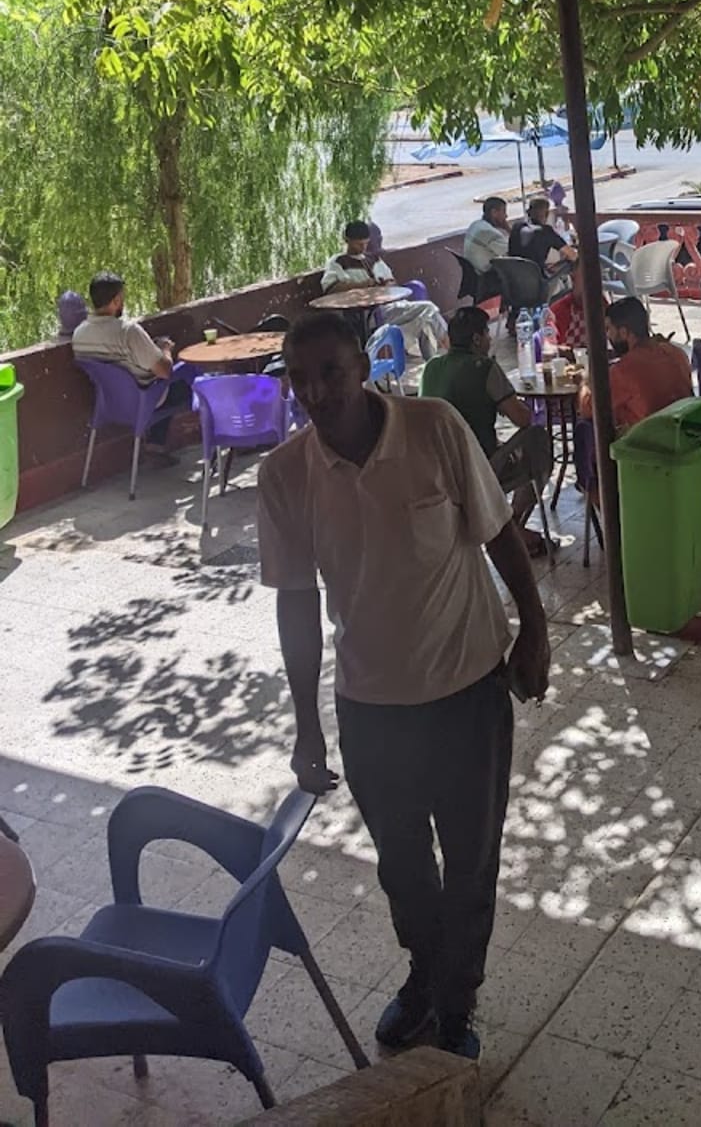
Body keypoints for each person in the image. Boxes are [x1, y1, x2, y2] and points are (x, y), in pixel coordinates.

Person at [257, 312, 550, 1062]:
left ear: (364, 367)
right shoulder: (285, 474)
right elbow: (296, 603)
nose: (315, 392)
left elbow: (498, 531)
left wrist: (535, 627)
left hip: (468, 688)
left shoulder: (435, 428)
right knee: (403, 866)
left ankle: (456, 999)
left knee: (471, 860)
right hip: (371, 708)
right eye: (300, 379)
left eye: (330, 372)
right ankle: (426, 972)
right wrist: (306, 724)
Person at [420, 308, 553, 553]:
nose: (491, 339)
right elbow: (522, 418)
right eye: (487, 334)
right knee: (538, 440)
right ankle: (512, 524)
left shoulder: (431, 368)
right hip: (478, 468)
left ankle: (509, 526)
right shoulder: (485, 368)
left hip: (437, 468)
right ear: (477, 339)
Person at [71, 271, 192, 453]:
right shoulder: (128, 332)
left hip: (109, 404)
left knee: (154, 379)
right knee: (189, 377)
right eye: (122, 298)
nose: (123, 302)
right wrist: (165, 349)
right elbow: (165, 371)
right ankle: (214, 445)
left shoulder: (79, 335)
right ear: (116, 300)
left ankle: (155, 446)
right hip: (143, 401)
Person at [321, 220, 447, 359]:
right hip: (368, 315)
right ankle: (453, 349)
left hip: (391, 307)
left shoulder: (374, 259)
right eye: (359, 244)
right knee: (428, 308)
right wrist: (362, 285)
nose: (363, 248)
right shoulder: (337, 263)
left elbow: (392, 282)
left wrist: (386, 285)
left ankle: (431, 363)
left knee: (425, 321)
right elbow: (330, 288)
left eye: (365, 244)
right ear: (347, 240)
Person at [581, 296, 692, 431]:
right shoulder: (677, 353)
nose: (608, 336)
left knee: (586, 427)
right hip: (685, 434)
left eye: (609, 329)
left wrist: (585, 381)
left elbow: (588, 408)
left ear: (624, 332)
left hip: (649, 439)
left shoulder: (624, 370)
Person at [508, 196, 577, 277]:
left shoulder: (517, 227)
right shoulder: (546, 231)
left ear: (528, 212)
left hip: (513, 278)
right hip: (536, 280)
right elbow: (572, 255)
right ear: (547, 214)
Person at [462, 198, 509, 295]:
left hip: (476, 275)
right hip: (488, 278)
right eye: (503, 211)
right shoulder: (488, 232)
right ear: (494, 212)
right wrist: (509, 229)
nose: (506, 216)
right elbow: (512, 252)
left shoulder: (476, 225)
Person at [549, 257, 589, 350]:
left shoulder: (601, 305)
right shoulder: (559, 310)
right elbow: (548, 346)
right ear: (573, 278)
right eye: (586, 277)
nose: (591, 282)